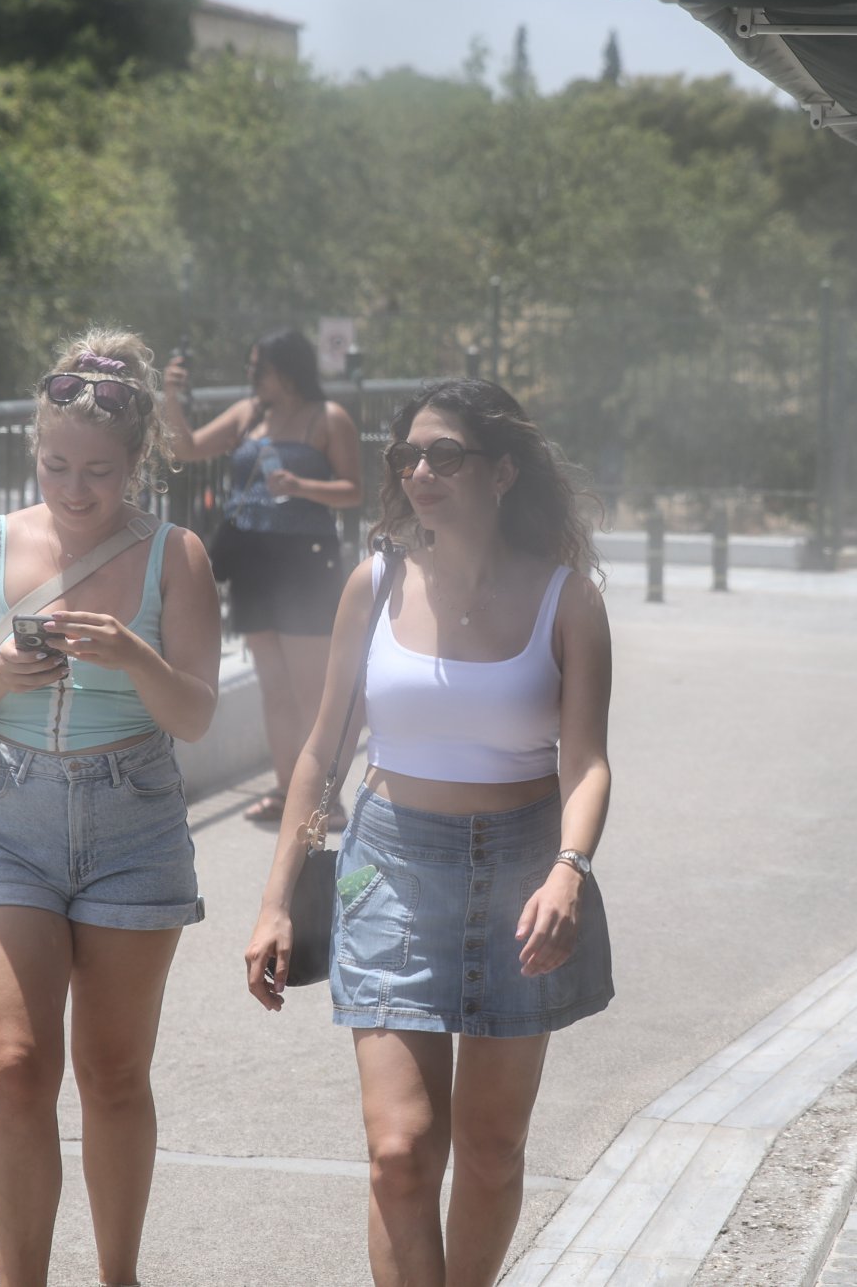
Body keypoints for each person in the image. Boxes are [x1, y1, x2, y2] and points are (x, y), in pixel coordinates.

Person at [244, 377, 615, 1286]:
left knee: (491, 1149)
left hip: (523, 876)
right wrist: (275, 902)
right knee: (401, 1151)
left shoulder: (568, 601)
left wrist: (569, 868)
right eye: (407, 456)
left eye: (444, 456)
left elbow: (587, 762)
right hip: (392, 872)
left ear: (502, 471)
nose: (420, 472)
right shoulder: (374, 584)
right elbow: (320, 752)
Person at [0, 327, 220, 1287]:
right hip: (7, 815)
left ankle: (117, 1275)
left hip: (134, 817)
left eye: (98, 471)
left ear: (137, 461)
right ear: (34, 451)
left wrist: (133, 654)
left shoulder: (177, 554)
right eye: (56, 467)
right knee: (15, 1066)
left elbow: (195, 714)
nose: (75, 490)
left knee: (114, 1074)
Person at [162, 328, 362, 824]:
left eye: (260, 368)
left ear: (287, 371)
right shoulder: (248, 413)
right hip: (254, 557)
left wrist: (301, 485)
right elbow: (186, 448)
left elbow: (354, 490)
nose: (252, 375)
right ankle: (286, 788)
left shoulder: (328, 417)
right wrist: (170, 397)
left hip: (304, 560)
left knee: (311, 689)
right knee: (273, 684)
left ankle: (325, 800)